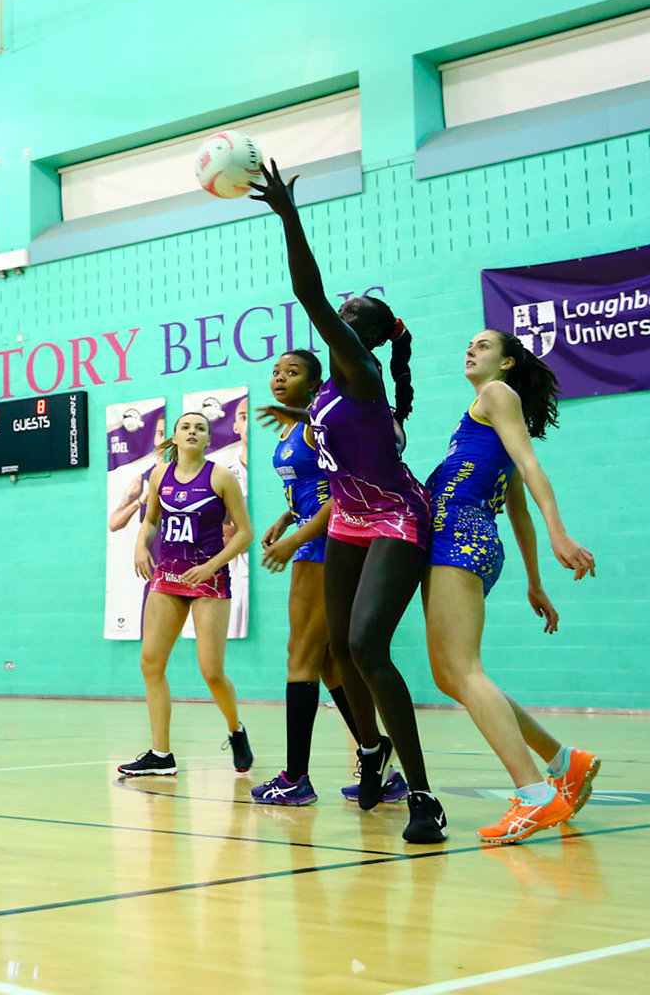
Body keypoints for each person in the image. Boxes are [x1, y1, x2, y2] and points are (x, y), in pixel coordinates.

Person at [251, 161, 445, 844]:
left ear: (363, 334)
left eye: (350, 314)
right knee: (336, 647)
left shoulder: (360, 371)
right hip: (353, 518)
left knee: (366, 645)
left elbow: (310, 297)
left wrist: (288, 217)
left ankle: (424, 794)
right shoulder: (330, 391)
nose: (341, 315)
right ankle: (370, 752)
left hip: (397, 516)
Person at [423, 329, 600, 843]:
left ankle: (535, 795)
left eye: (482, 346)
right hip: (467, 536)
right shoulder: (486, 417)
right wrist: (535, 581)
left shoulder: (497, 397)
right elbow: (516, 504)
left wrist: (559, 534)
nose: (470, 350)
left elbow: (531, 467)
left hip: (459, 532)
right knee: (451, 675)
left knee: (463, 671)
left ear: (506, 364)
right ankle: (563, 761)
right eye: (468, 344)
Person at [251, 350, 396, 806]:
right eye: (275, 371)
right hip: (312, 535)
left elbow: (342, 495)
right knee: (329, 659)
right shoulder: (295, 426)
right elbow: (312, 487)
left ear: (313, 385)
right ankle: (377, 755)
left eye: (291, 373)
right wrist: (284, 519)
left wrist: (296, 540)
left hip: (325, 542)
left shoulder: (318, 426)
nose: (279, 378)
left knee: (301, 656)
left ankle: (296, 777)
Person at [117, 412, 255, 778]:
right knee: (151, 662)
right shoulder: (160, 474)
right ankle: (161, 754)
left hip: (209, 579)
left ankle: (235, 729)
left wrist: (211, 567)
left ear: (208, 439)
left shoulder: (221, 476)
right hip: (168, 576)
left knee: (211, 671)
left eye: (201, 428)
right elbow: (150, 521)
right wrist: (139, 546)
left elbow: (244, 533)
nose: (193, 432)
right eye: (186, 427)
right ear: (175, 436)